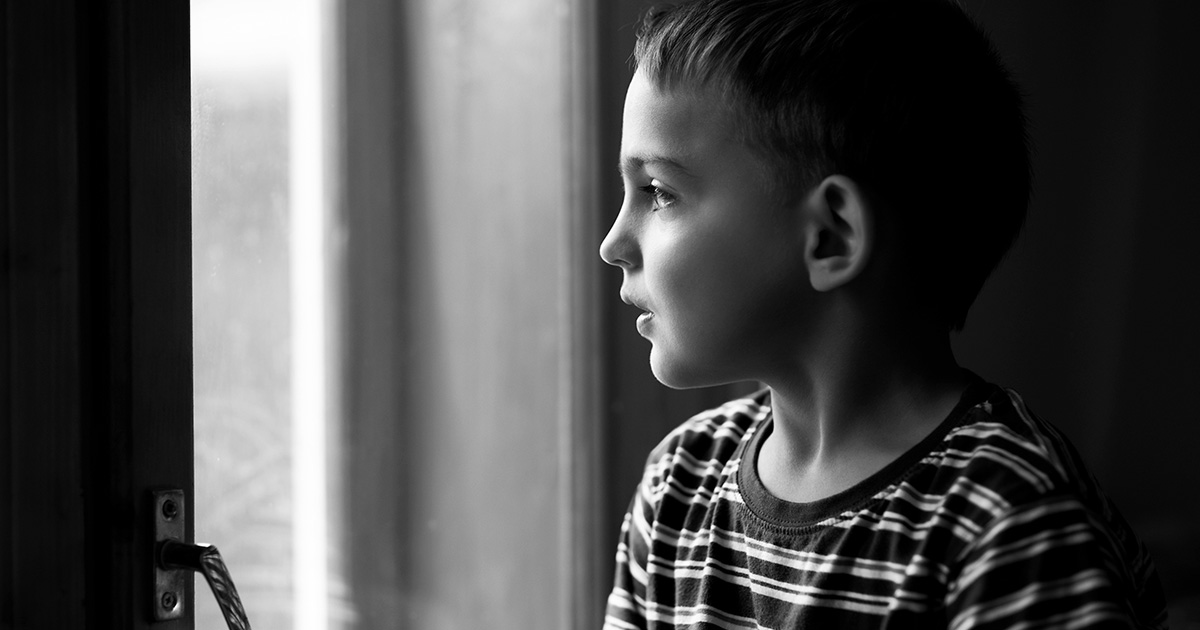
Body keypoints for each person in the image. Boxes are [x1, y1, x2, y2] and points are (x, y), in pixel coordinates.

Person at [597, 0, 1169, 627]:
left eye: (658, 192)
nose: (613, 244)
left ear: (832, 236)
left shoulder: (1007, 524)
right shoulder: (678, 485)